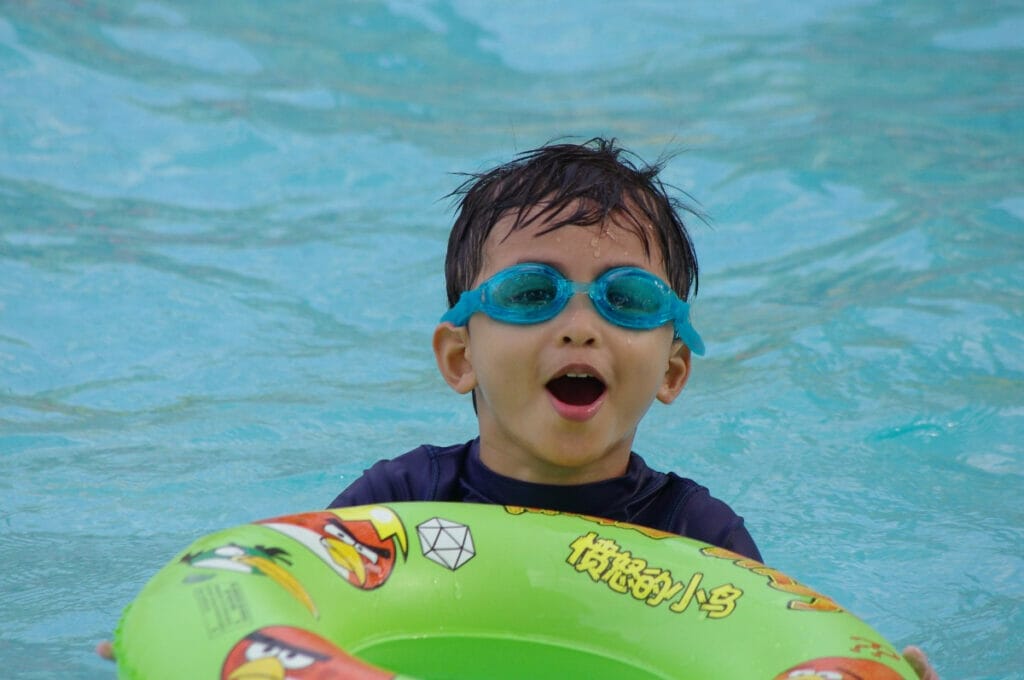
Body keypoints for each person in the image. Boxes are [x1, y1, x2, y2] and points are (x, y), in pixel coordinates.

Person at [99, 138, 937, 678]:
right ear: (459, 356)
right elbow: (288, 603)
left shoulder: (699, 532)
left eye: (629, 301)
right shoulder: (400, 500)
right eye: (534, 294)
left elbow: (769, 649)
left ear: (674, 368)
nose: (580, 328)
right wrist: (183, 649)